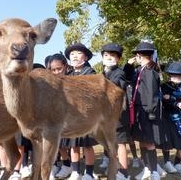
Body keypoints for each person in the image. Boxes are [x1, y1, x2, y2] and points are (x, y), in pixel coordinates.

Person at [124, 41, 162, 180]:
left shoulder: (150, 71)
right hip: (139, 110)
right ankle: (147, 168)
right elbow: (127, 77)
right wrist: (128, 65)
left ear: (139, 55)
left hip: (147, 111)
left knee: (149, 142)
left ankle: (154, 172)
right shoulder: (140, 70)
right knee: (142, 140)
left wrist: (151, 110)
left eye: (137, 55)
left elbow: (151, 92)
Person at [64, 43, 98, 180]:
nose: (75, 56)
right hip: (71, 116)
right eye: (72, 54)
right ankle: (75, 172)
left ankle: (89, 173)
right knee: (73, 145)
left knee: (87, 145)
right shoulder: (68, 74)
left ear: (85, 57)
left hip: (86, 115)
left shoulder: (91, 72)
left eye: (78, 53)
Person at [101, 43, 130, 180]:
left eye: (112, 55)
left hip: (118, 114)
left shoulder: (119, 73)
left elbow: (118, 88)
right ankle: (115, 168)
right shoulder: (102, 73)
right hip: (105, 115)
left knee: (120, 143)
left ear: (118, 59)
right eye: (106, 55)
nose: (109, 58)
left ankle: (124, 172)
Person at [48, 53, 72, 179]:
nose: (57, 72)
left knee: (75, 145)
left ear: (65, 67)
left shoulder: (72, 80)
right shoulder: (50, 84)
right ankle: (65, 164)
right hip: (56, 119)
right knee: (59, 144)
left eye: (59, 69)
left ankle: (74, 167)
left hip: (71, 118)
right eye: (53, 70)